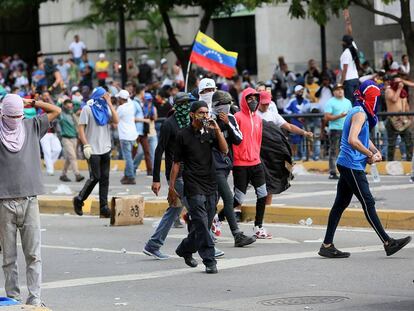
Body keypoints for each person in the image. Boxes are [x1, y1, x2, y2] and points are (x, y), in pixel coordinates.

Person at [318, 80, 412, 258]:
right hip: (351, 164)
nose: (377, 100)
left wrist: (374, 151)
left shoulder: (359, 110)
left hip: (348, 163)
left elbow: (363, 136)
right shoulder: (360, 113)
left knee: (339, 205)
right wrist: (370, 154)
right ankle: (387, 242)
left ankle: (326, 245)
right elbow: (353, 140)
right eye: (375, 97)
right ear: (368, 97)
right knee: (368, 202)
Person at [0, 94, 61, 306]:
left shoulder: (32, 125)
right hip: (3, 201)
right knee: (8, 258)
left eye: (19, 115)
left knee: (33, 255)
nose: (16, 119)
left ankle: (35, 299)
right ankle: (13, 299)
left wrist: (32, 103)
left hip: (29, 199)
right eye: (11, 115)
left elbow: (56, 111)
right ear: (3, 114)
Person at [169, 101, 228, 274]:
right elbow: (176, 163)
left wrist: (217, 130)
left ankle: (184, 249)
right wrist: (172, 187)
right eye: (201, 112)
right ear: (192, 114)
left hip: (210, 183)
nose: (204, 115)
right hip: (193, 184)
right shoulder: (182, 135)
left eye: (206, 112)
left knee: (203, 226)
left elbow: (224, 150)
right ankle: (210, 260)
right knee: (201, 223)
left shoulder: (210, 132)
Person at [143, 93, 192, 260]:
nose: (186, 107)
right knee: (196, 209)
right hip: (175, 174)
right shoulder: (168, 124)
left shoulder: (190, 123)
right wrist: (156, 179)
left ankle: (153, 244)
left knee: (175, 209)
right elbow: (159, 151)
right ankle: (208, 245)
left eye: (188, 103)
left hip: (190, 172)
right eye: (183, 103)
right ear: (176, 105)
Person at [211, 90, 256, 247]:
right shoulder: (209, 119)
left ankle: (202, 230)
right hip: (212, 166)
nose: (226, 108)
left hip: (225, 165)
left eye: (228, 105)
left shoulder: (231, 118)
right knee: (228, 199)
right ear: (216, 106)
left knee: (213, 200)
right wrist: (216, 126)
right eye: (222, 105)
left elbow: (238, 139)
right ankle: (237, 235)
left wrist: (227, 124)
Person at [257, 91, 312, 205]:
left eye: (267, 103)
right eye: (263, 103)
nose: (265, 106)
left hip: (270, 154)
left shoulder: (273, 115)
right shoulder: (253, 114)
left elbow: (289, 126)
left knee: (270, 178)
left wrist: (304, 133)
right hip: (256, 152)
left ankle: (267, 207)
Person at [73, 87, 119, 217]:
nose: (106, 98)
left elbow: (116, 121)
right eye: (104, 96)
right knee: (95, 177)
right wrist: (85, 144)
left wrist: (109, 103)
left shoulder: (105, 109)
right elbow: (81, 128)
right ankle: (79, 199)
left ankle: (103, 207)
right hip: (92, 149)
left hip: (105, 148)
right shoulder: (87, 109)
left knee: (105, 178)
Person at [232, 88, 270, 239]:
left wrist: (256, 156)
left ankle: (258, 226)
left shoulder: (258, 119)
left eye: (255, 98)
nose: (253, 101)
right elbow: (233, 140)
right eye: (249, 98)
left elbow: (258, 141)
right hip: (240, 164)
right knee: (238, 199)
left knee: (263, 194)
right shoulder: (237, 117)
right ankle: (217, 219)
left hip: (256, 163)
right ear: (243, 100)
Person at [324, 83, 353, 179]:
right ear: (334, 92)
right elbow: (327, 117)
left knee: (346, 150)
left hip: (346, 129)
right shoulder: (330, 102)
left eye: (341, 89)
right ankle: (332, 172)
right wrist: (340, 116)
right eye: (337, 89)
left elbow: (351, 115)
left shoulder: (348, 102)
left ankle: (347, 170)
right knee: (333, 150)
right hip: (335, 129)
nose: (340, 91)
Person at [385, 75, 412, 161]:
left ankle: (409, 160)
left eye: (400, 82)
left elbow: (406, 106)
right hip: (392, 120)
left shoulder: (402, 92)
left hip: (403, 120)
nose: (399, 84)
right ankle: (390, 162)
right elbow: (394, 99)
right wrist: (399, 89)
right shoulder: (389, 90)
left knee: (409, 141)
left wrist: (409, 116)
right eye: (397, 82)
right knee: (392, 143)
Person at [58, 99, 84, 182]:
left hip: (74, 138)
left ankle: (63, 174)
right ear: (64, 105)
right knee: (72, 156)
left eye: (71, 106)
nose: (70, 107)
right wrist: (60, 102)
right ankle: (77, 174)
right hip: (66, 138)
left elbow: (78, 103)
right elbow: (56, 107)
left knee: (69, 158)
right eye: (68, 106)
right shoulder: (61, 114)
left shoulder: (72, 114)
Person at [116, 89, 139, 184]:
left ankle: (130, 176)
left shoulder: (121, 108)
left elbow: (115, 118)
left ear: (121, 99)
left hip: (125, 136)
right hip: (133, 135)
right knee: (132, 156)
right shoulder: (131, 104)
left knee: (128, 157)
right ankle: (127, 174)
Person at [284, 85, 309, 160]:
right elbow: (285, 109)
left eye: (302, 90)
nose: (300, 92)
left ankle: (304, 155)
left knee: (304, 140)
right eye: (299, 90)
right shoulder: (292, 101)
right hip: (294, 123)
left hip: (304, 123)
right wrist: (292, 114)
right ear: (295, 91)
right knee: (294, 140)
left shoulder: (306, 101)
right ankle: (295, 155)